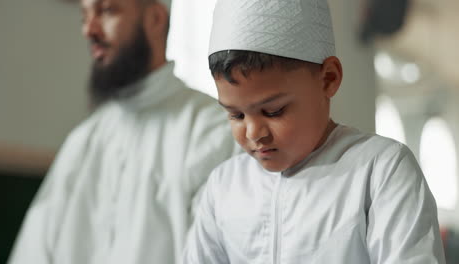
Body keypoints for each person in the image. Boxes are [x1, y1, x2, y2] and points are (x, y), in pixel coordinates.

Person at [183, 0, 446, 263]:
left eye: (273, 111)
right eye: (236, 115)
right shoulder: (224, 186)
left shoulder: (380, 170)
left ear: (328, 79)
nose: (253, 133)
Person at [8, 0, 238, 263]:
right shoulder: (83, 141)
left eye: (106, 11)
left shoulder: (211, 129)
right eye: (85, 16)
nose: (89, 29)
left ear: (154, 19)